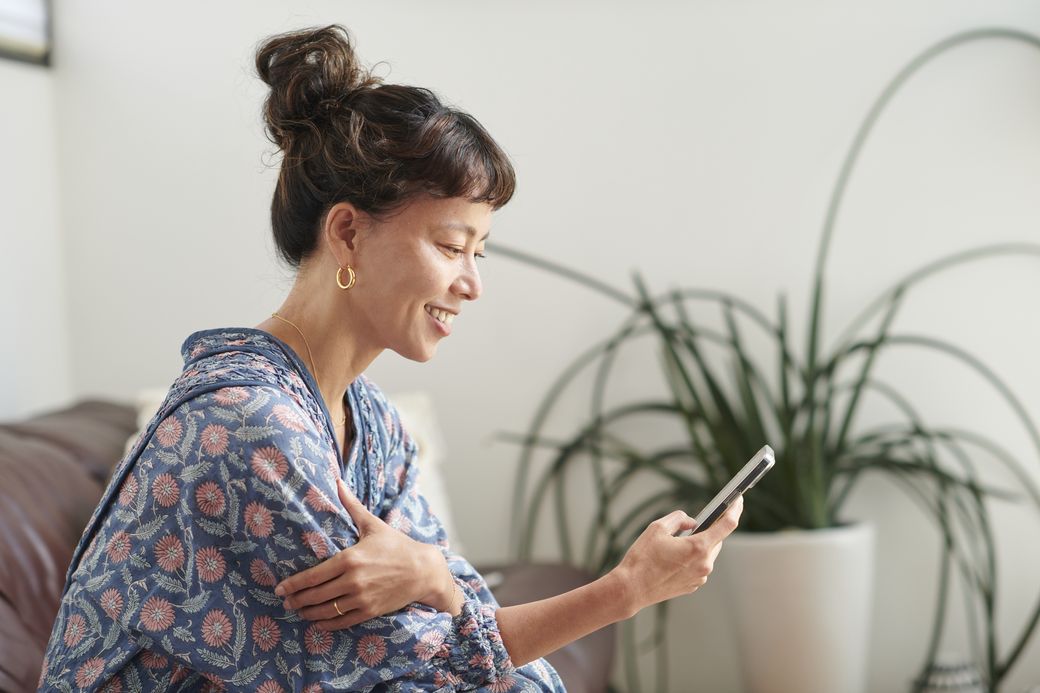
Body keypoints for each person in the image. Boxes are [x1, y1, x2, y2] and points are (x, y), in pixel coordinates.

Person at [38, 25, 742, 692]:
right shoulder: (247, 429)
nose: (472, 283)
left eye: (479, 252)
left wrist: (434, 572)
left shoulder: (374, 429)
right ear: (347, 232)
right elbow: (435, 667)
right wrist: (628, 589)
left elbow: (457, 617)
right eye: (450, 245)